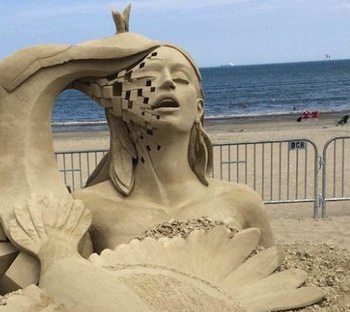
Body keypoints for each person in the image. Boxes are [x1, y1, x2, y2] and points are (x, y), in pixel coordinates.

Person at [74, 46, 274, 251]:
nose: (167, 82)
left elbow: (273, 278)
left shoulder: (242, 202)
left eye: (181, 78)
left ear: (199, 109)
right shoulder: (87, 207)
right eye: (147, 78)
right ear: (120, 109)